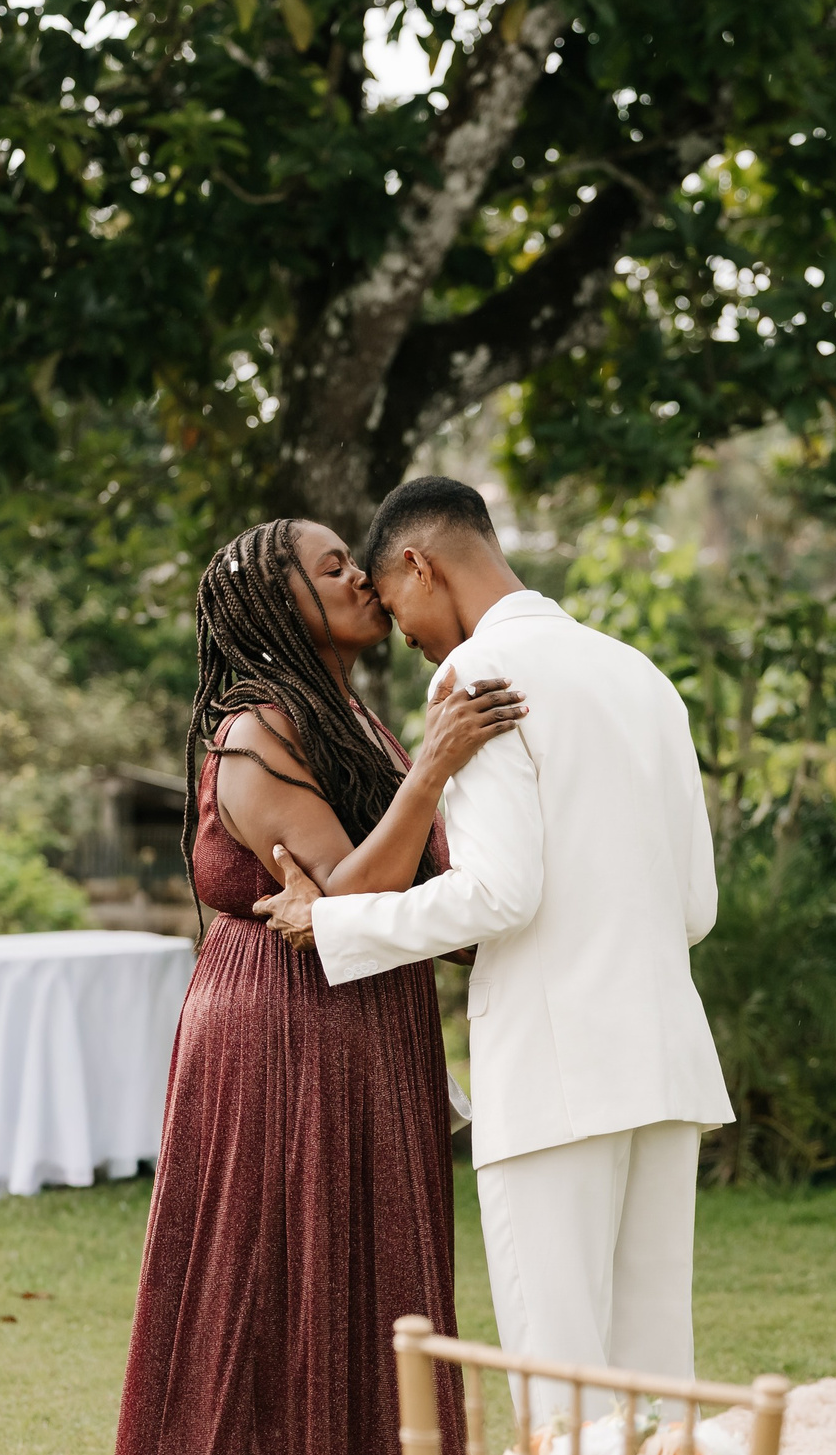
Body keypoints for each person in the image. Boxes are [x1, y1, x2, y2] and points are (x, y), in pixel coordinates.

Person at [101, 517, 529, 1455]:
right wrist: (433, 771)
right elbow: (349, 899)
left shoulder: (352, 717)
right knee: (273, 1300)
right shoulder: (255, 733)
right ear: (275, 601)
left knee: (369, 1296)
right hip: (280, 1031)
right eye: (333, 567)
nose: (362, 580)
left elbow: (410, 893)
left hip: (371, 1024)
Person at [257, 476, 733, 1398]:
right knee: (654, 1379)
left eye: (395, 607)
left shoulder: (475, 677)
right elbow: (696, 907)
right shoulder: (640, 675)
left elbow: (498, 894)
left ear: (418, 565)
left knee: (558, 1376)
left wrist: (333, 919)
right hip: (665, 1064)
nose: (405, 635)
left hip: (555, 1074)